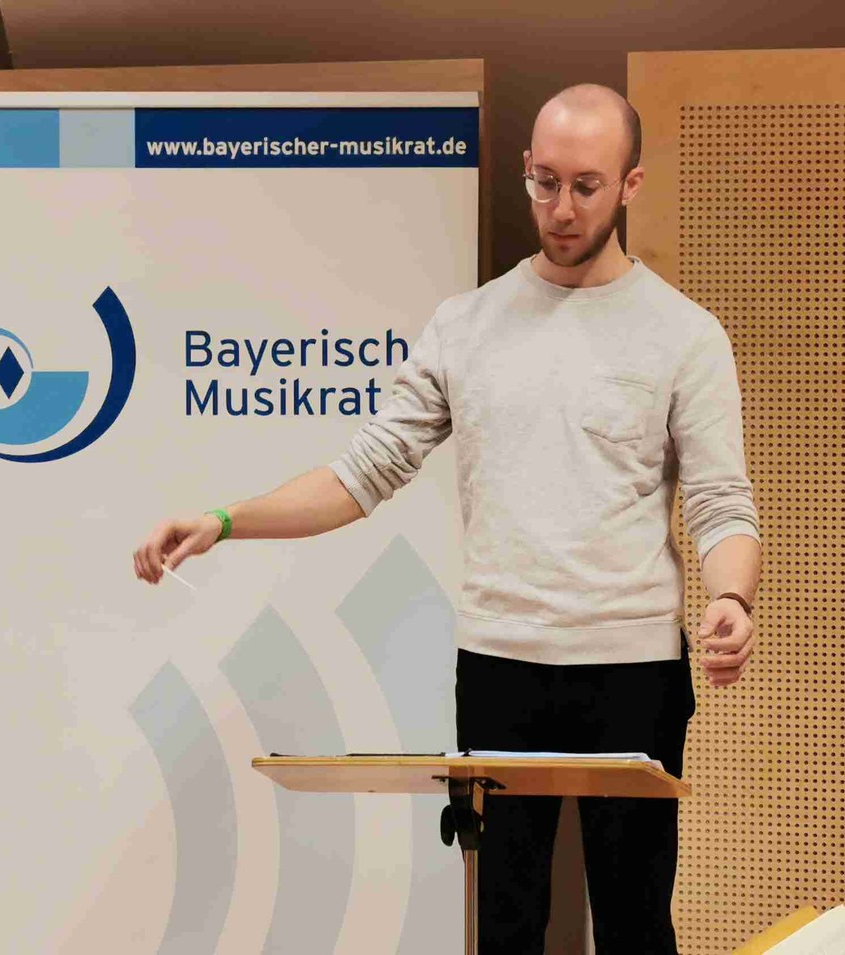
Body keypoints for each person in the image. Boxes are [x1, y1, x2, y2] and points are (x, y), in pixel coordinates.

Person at [134, 83, 761, 953]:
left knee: (635, 925)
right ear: (525, 169)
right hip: (500, 663)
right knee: (504, 924)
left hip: (633, 667)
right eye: (545, 181)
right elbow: (363, 472)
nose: (561, 207)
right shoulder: (467, 325)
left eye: (586, 186)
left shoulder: (684, 334)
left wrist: (730, 596)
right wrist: (225, 519)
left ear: (631, 184)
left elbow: (720, 500)